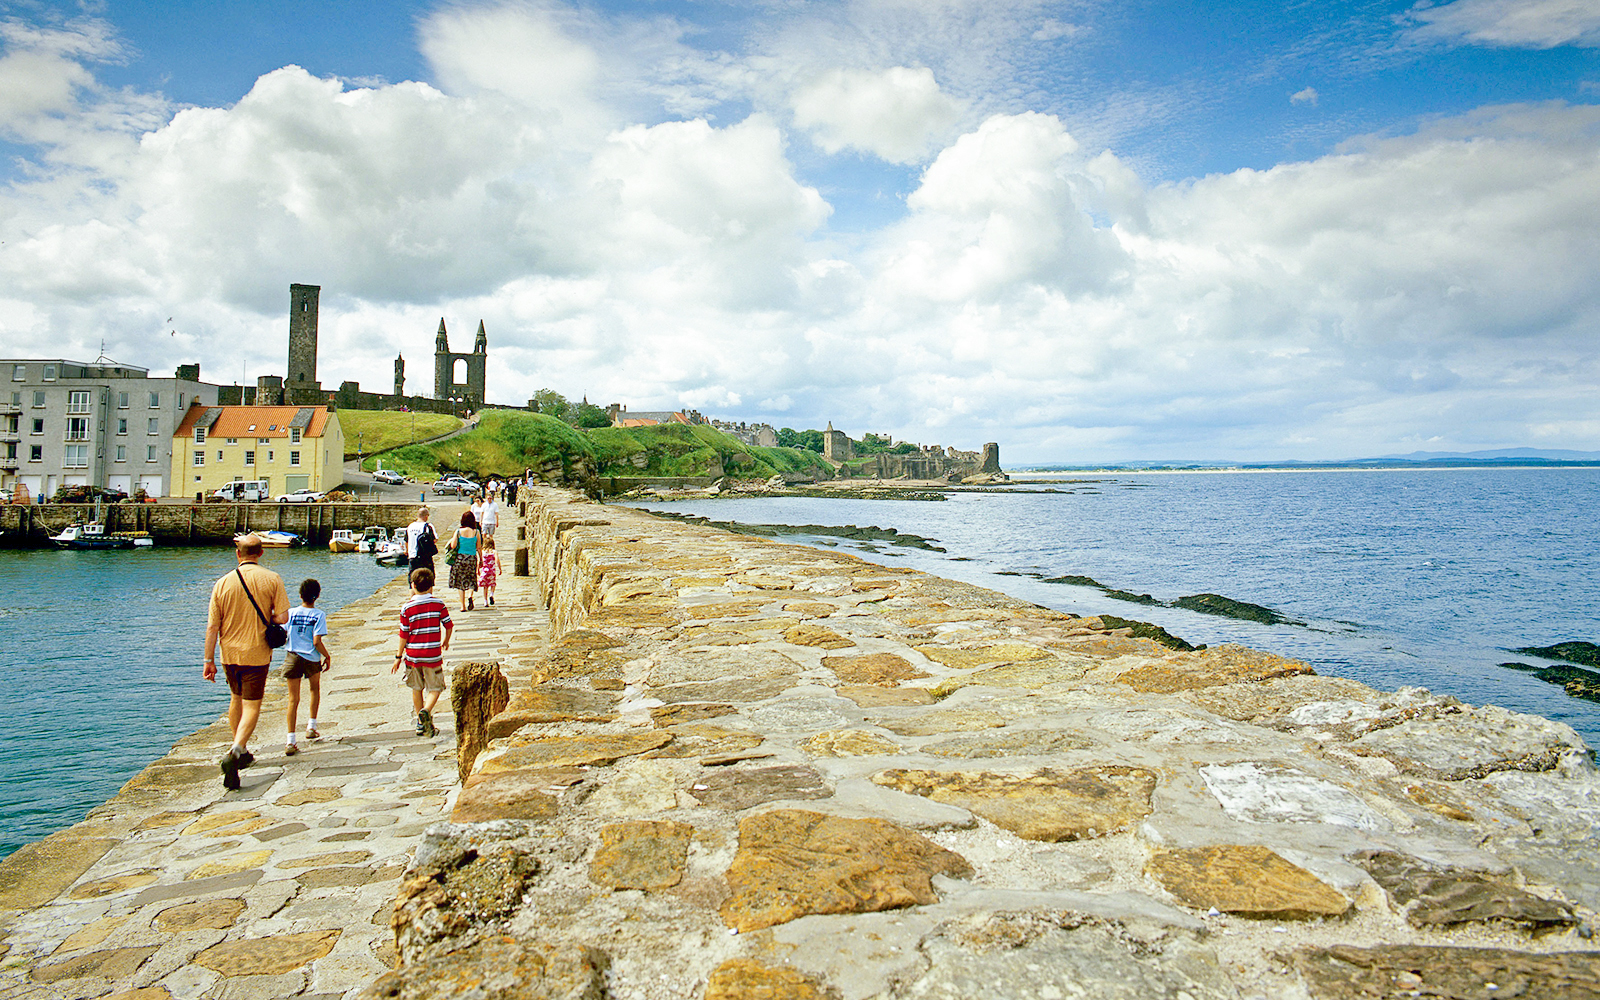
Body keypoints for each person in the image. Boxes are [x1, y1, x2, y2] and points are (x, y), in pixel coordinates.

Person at [205, 533, 289, 790]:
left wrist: (208, 660)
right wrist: (268, 617)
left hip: (229, 652)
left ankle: (241, 749)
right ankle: (236, 750)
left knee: (236, 698)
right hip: (257, 651)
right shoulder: (271, 579)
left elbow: (212, 627)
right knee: (252, 705)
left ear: (238, 554)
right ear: (261, 553)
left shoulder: (222, 583)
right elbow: (283, 617)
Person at [393, 566, 452, 738]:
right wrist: (446, 641)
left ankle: (420, 723)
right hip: (432, 655)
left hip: (413, 656)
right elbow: (448, 624)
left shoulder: (406, 608)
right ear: (432, 585)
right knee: (435, 687)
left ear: (412, 585)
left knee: (416, 688)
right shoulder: (438, 604)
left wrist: (398, 656)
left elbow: (403, 634)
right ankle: (426, 710)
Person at [283, 578, 331, 755]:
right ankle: (311, 726)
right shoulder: (318, 615)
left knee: (293, 699)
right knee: (314, 690)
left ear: (300, 594)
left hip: (293, 656)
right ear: (317, 596)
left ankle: (290, 740)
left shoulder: (291, 613)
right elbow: (316, 641)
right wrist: (327, 656)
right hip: (311, 657)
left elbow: (284, 632)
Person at [446, 510, 481, 610]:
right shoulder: (476, 532)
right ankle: (470, 596)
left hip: (460, 558)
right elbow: (478, 547)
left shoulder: (458, 532)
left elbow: (453, 546)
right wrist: (481, 560)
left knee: (460, 581)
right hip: (471, 558)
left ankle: (462, 606)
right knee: (471, 578)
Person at [405, 506, 437, 575]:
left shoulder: (410, 526)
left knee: (413, 577)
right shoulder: (428, 526)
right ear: (426, 516)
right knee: (428, 577)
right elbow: (434, 540)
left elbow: (406, 541)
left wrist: (407, 551)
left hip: (412, 556)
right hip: (424, 557)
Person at [477, 535, 499, 607]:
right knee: (493, 584)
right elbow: (497, 560)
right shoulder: (494, 551)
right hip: (492, 571)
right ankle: (491, 594)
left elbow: (479, 561)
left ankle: (485, 601)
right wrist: (500, 568)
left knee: (485, 586)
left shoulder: (483, 552)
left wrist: (477, 569)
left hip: (485, 571)